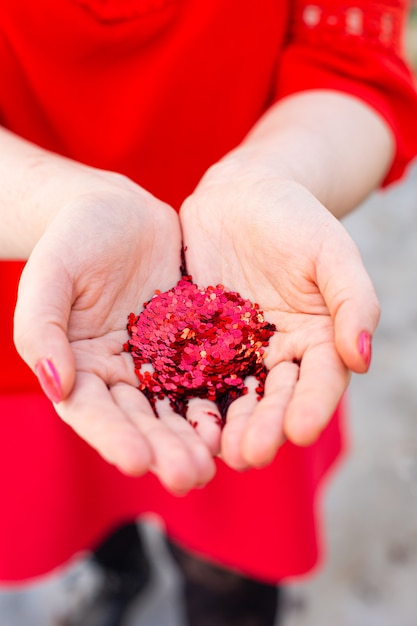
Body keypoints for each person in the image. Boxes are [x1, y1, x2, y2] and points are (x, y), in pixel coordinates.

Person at [1, 1, 417, 625]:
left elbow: (352, 64)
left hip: (255, 270)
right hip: (46, 291)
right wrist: (60, 206)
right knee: (85, 490)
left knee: (231, 556)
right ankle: (120, 573)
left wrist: (274, 176)